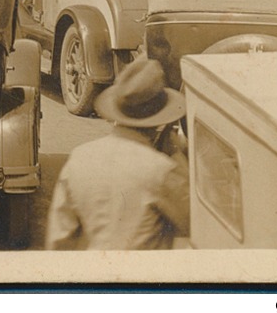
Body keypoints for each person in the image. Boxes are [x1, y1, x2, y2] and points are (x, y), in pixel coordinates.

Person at [46, 59, 190, 250]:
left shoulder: (80, 157)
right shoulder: (161, 170)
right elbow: (193, 222)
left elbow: (59, 240)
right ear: (158, 121)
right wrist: (177, 155)